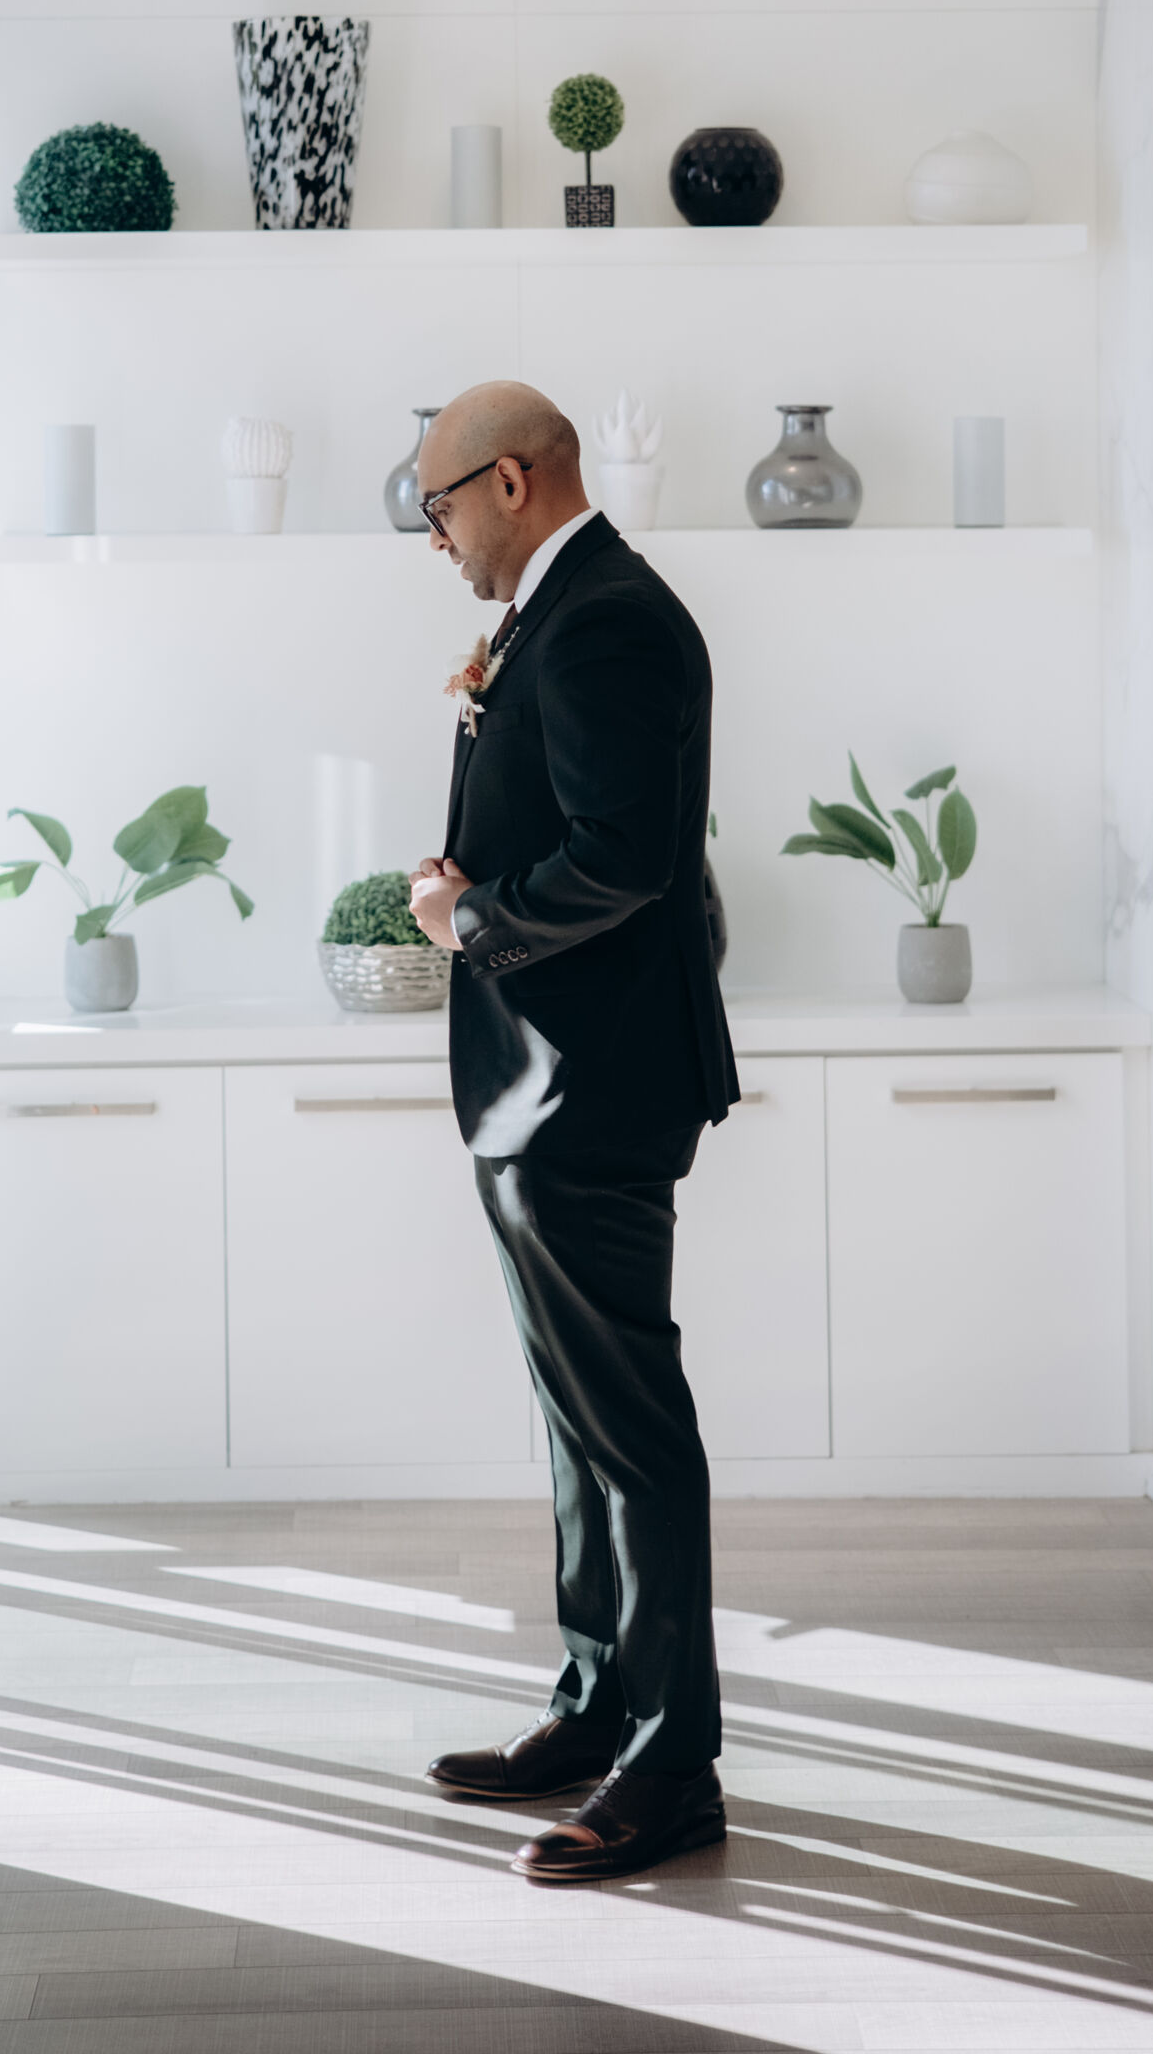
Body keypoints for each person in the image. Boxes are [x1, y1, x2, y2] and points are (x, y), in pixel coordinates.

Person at [408, 380, 739, 1886]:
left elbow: (626, 859)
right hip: (541, 1082)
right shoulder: (560, 611)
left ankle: (670, 1772)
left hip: (589, 1088)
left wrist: (469, 918)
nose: (437, 538)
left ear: (514, 479)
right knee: (576, 1421)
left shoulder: (608, 617)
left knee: (632, 1431)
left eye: (440, 506)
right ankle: (599, 1705)